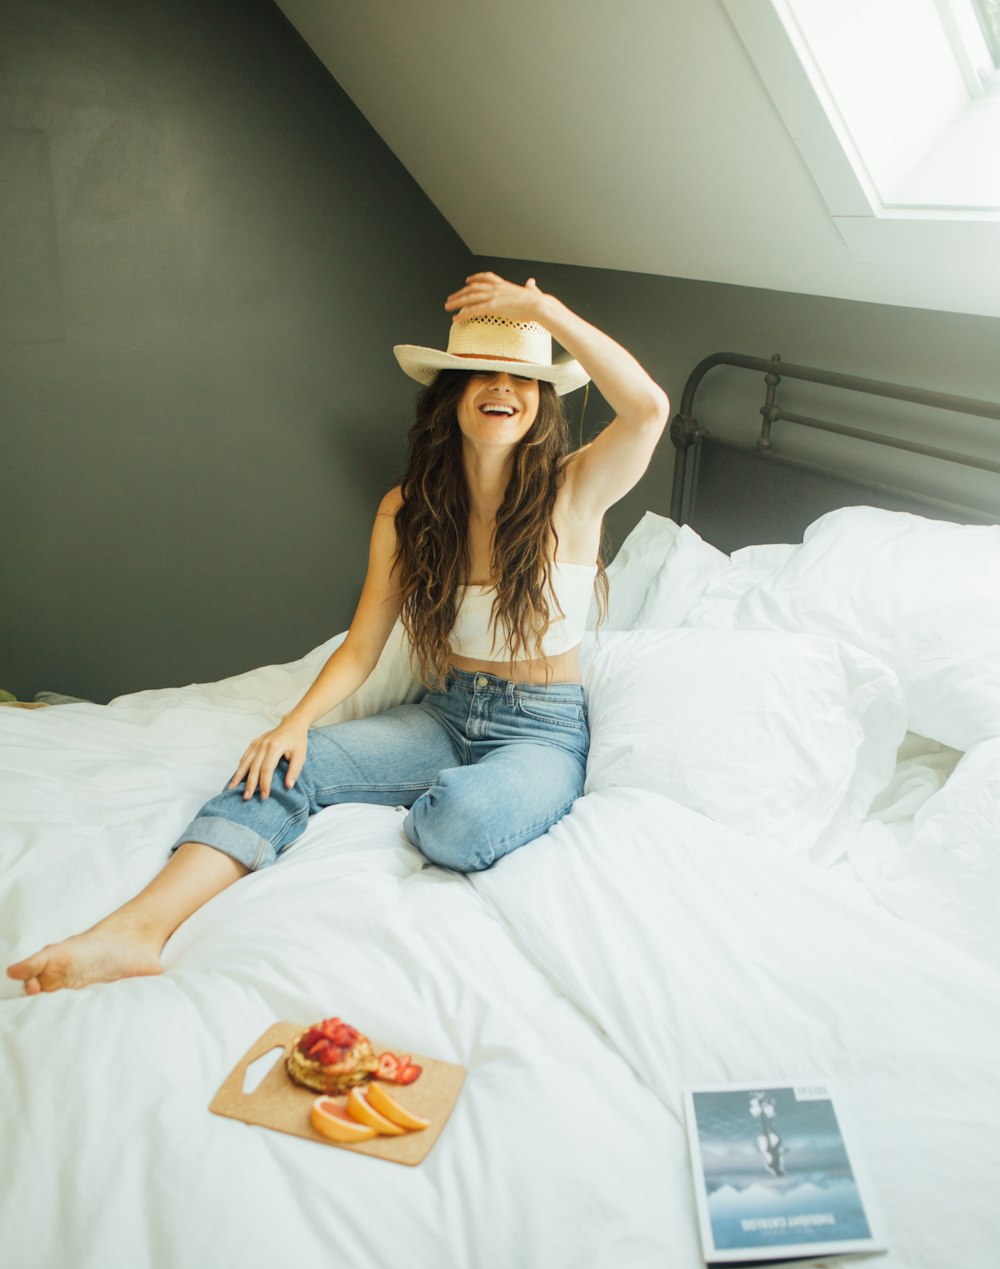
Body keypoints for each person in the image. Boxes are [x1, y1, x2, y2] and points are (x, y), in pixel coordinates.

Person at [8, 271, 669, 995]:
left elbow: (646, 410)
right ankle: (134, 929)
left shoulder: (575, 490)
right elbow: (361, 646)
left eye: (521, 376)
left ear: (541, 400)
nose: (500, 386)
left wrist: (541, 310)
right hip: (444, 714)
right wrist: (292, 726)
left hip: (539, 732)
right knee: (282, 767)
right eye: (478, 372)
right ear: (449, 398)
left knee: (457, 827)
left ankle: (460, 794)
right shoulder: (409, 509)